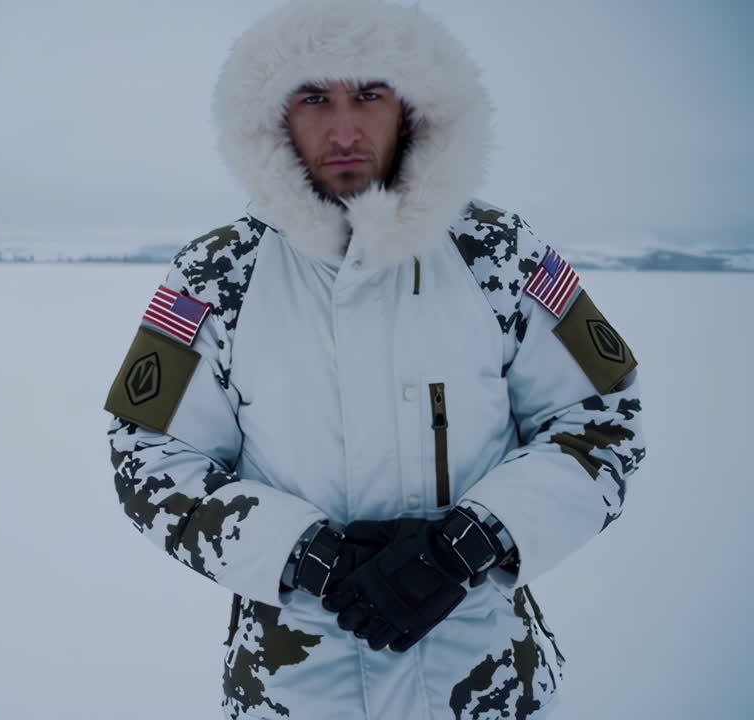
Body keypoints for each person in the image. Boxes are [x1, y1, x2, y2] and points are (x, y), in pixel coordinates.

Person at [101, 1, 646, 718]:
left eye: (369, 93)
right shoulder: (216, 274)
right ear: (272, 116)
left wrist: (470, 544)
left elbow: (603, 417)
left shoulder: (498, 254)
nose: (345, 129)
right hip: (294, 693)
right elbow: (149, 455)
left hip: (486, 689)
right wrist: (305, 556)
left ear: (415, 105)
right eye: (315, 97)